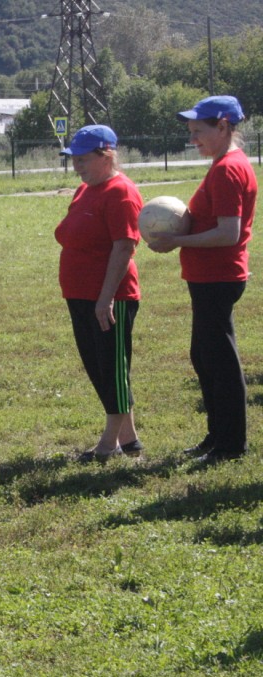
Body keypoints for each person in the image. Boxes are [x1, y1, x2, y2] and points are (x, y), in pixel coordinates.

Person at [148, 95, 257, 464]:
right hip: (209, 276)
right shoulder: (224, 164)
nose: (193, 138)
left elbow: (228, 232)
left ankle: (230, 446)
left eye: (199, 131)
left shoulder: (228, 168)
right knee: (204, 356)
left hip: (218, 276)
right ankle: (217, 437)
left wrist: (176, 239)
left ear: (223, 126)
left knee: (220, 361)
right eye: (191, 131)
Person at [55, 125, 144, 462]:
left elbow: (124, 247)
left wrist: (105, 298)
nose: (76, 165)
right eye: (73, 159)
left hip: (110, 298)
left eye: (82, 159)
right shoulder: (85, 190)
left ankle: (108, 446)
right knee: (99, 366)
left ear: (106, 155)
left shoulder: (120, 191)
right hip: (80, 295)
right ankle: (129, 439)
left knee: (112, 369)